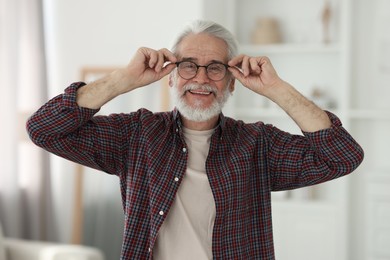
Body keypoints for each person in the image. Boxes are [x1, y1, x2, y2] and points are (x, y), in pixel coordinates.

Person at [27, 20, 364, 260]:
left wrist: (275, 88)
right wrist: (124, 79)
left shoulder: (257, 144)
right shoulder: (137, 134)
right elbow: (43, 129)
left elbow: (343, 156)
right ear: (171, 77)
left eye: (215, 68)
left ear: (232, 83)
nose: (201, 79)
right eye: (188, 66)